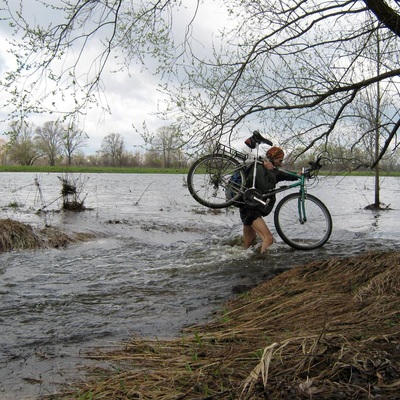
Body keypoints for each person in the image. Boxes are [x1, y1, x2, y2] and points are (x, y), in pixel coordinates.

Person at [239, 146, 298, 253]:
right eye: (280, 160)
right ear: (273, 158)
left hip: (249, 207)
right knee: (269, 239)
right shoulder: (261, 168)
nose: (281, 163)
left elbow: (283, 175)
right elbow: (266, 188)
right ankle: (262, 264)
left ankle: (246, 262)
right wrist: (270, 170)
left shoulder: (271, 169)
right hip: (250, 208)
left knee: (248, 244)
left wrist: (298, 175)